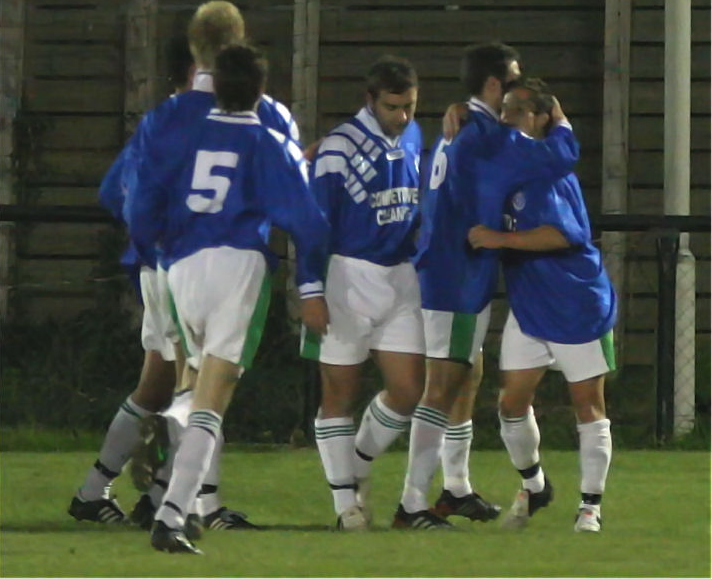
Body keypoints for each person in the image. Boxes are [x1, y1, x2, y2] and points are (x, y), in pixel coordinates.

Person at [68, 0, 300, 528]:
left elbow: (114, 190)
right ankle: (190, 504)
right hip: (222, 263)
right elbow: (290, 187)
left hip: (163, 264)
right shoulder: (265, 112)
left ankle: (120, 491)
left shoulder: (169, 115)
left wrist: (156, 236)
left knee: (166, 384)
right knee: (199, 386)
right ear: (241, 44)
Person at [125, 43, 329, 554]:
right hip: (237, 263)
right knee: (215, 397)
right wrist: (311, 286)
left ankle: (181, 483)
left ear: (214, 85)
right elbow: (309, 223)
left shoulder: (179, 134)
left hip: (181, 268)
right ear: (261, 91)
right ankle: (171, 516)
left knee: (192, 384)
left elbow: (141, 200)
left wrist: (157, 246)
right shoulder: (267, 140)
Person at [406, 42, 580, 525]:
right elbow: (562, 154)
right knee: (440, 387)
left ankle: (455, 488)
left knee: (468, 374)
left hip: (448, 267)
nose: (520, 87)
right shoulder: (487, 134)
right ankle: (410, 502)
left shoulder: (459, 128)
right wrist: (559, 116)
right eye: (512, 80)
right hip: (457, 274)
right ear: (492, 85)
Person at [304, 55, 450, 530]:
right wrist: (309, 288)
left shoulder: (413, 136)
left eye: (410, 106)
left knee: (409, 391)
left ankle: (358, 466)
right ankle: (345, 505)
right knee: (338, 394)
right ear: (370, 100)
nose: (403, 116)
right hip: (347, 277)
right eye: (393, 107)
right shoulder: (339, 146)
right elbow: (313, 222)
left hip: (401, 277)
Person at [467, 78, 616, 533]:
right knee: (511, 403)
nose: (507, 118)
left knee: (588, 405)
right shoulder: (520, 162)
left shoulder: (547, 170)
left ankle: (590, 506)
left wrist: (498, 239)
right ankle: (534, 486)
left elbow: (563, 234)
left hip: (575, 303)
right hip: (531, 306)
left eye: (517, 110)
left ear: (539, 117)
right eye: (505, 109)